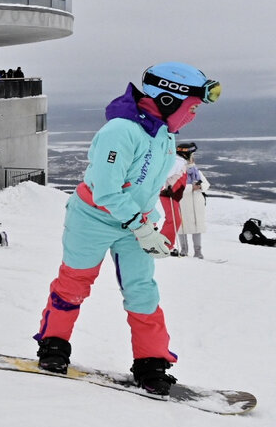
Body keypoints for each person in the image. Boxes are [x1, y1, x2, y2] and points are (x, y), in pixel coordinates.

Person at [32, 62, 222, 395]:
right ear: (168, 99)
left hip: (134, 223)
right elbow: (107, 191)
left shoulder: (164, 134)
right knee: (74, 283)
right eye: (192, 107)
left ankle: (151, 363)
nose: (192, 115)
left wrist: (152, 223)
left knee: (143, 291)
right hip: (93, 217)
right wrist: (141, 226)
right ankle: (53, 346)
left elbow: (147, 187)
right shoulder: (120, 131)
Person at [175, 142, 208, 258]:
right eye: (191, 155)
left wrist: (200, 186)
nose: (192, 158)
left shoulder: (195, 170)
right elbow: (174, 186)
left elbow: (206, 184)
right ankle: (184, 250)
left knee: (196, 227)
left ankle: (198, 251)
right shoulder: (178, 170)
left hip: (196, 202)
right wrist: (190, 187)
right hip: (183, 202)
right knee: (183, 226)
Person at [158, 149, 187, 254]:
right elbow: (164, 175)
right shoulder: (177, 162)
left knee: (175, 219)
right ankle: (163, 244)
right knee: (174, 219)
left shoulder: (181, 162)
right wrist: (166, 188)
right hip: (168, 195)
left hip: (173, 196)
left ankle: (165, 243)